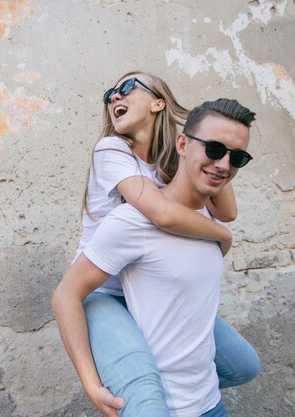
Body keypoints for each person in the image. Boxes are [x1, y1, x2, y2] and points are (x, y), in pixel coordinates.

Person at [55, 71, 259, 417]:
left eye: (126, 88)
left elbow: (227, 211)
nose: (114, 97)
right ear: (184, 144)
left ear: (157, 103)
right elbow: (163, 214)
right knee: (145, 395)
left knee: (243, 365)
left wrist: (215, 150)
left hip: (148, 289)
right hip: (103, 291)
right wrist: (222, 236)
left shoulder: (167, 162)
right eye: (111, 91)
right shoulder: (111, 149)